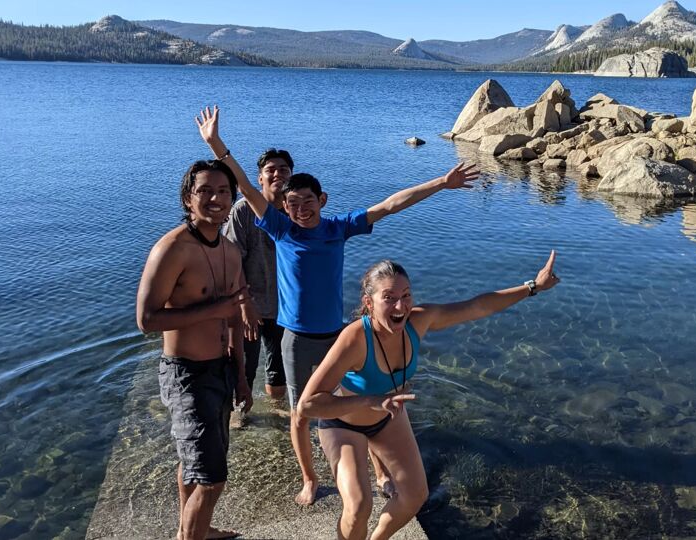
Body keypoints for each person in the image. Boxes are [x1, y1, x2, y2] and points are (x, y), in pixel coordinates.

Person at [195, 105, 480, 506]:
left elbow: (390, 204)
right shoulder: (280, 228)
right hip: (296, 337)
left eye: (308, 201)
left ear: (322, 200)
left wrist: (441, 182)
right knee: (301, 412)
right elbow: (244, 186)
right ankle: (309, 478)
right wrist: (217, 146)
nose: (300, 208)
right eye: (292, 203)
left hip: (340, 338)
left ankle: (380, 470)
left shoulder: (338, 228)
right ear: (286, 207)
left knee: (362, 407)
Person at [297, 255, 560, 540]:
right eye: (389, 297)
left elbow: (477, 306)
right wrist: (367, 401)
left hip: (388, 418)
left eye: (406, 295)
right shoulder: (355, 338)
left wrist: (533, 286)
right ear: (369, 303)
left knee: (414, 496)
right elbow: (308, 404)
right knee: (359, 505)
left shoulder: (418, 321)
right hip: (343, 425)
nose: (401, 306)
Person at [136, 159, 254, 540]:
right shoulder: (172, 249)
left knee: (196, 466)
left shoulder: (231, 252)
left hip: (220, 369)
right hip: (185, 375)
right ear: (188, 198)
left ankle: (191, 530)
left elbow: (235, 318)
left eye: (223, 191)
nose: (216, 198)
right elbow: (147, 319)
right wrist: (215, 309)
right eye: (205, 191)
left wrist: (240, 376)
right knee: (212, 479)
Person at [225, 148, 294, 403]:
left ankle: (276, 416)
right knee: (243, 368)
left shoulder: (296, 211)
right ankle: (238, 417)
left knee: (278, 372)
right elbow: (232, 262)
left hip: (283, 309)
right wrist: (244, 304)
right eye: (271, 170)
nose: (278, 174)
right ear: (260, 179)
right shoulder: (243, 211)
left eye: (284, 170)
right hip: (248, 305)